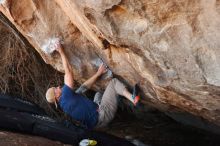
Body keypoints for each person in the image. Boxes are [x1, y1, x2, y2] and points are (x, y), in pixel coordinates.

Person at [45, 43, 140, 129]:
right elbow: (68, 71)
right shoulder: (66, 95)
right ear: (56, 96)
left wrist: (98, 73)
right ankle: (133, 99)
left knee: (98, 94)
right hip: (102, 115)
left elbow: (84, 87)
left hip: (96, 124)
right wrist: (61, 51)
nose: (58, 87)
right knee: (114, 83)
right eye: (55, 89)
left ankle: (117, 98)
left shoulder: (64, 104)